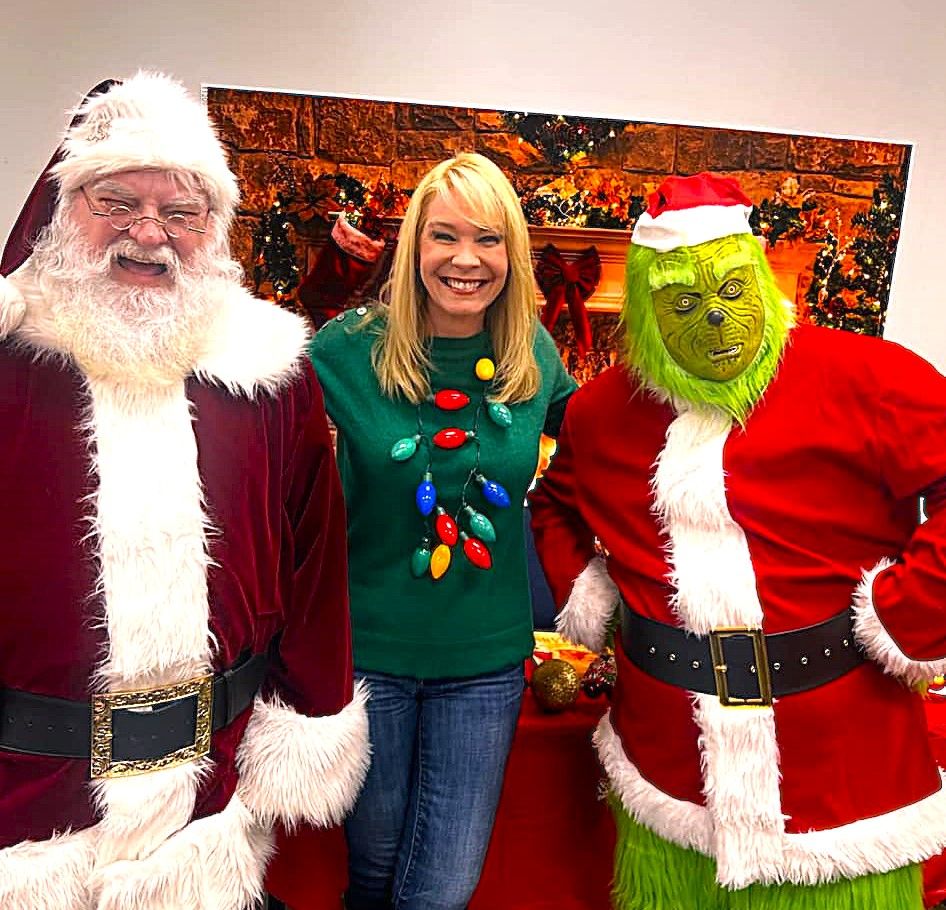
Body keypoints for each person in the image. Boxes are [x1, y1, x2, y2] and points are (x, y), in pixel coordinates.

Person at [0, 72, 368, 910]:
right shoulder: (8, 365)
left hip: (208, 811)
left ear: (215, 227)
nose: (148, 234)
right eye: (115, 201)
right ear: (59, 210)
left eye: (180, 211)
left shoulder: (268, 375)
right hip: (25, 815)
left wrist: (310, 713)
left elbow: (313, 559)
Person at [529, 171, 946, 909]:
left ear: (760, 278)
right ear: (648, 314)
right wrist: (591, 594)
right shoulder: (600, 412)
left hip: (838, 779)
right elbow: (553, 505)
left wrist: (909, 611)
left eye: (730, 291)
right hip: (666, 770)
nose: (716, 320)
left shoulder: (864, 378)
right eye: (685, 303)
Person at [309, 151, 576, 910]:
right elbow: (270, 470)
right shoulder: (345, 350)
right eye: (445, 236)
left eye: (489, 239)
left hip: (485, 666)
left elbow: (606, 444)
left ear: (512, 255)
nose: (466, 259)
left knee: (443, 888)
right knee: (374, 870)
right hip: (369, 656)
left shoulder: (533, 353)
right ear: (414, 245)